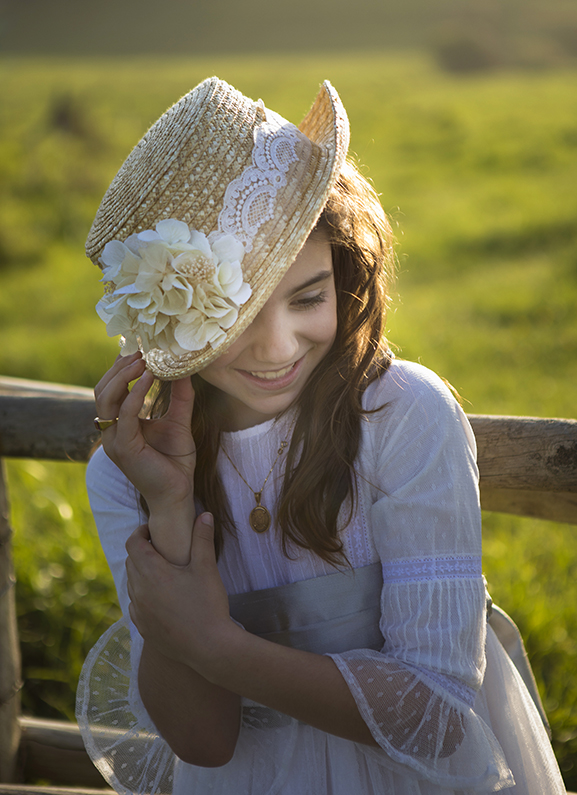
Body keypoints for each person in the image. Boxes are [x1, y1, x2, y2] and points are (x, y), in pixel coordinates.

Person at [76, 77, 565, 794]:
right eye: (237, 315)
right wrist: (171, 508)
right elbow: (203, 741)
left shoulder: (401, 418)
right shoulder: (126, 473)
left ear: (345, 273)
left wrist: (217, 644)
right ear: (170, 313)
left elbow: (435, 717)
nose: (276, 348)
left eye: (308, 297)